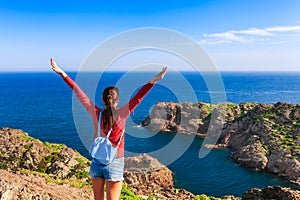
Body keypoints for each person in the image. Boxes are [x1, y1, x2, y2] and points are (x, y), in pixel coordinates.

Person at [50, 58, 167, 200]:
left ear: (103, 100)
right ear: (117, 100)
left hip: (97, 162)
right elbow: (139, 96)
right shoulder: (123, 113)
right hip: (115, 162)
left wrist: (62, 73)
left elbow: (79, 94)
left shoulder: (96, 112)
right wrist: (156, 78)